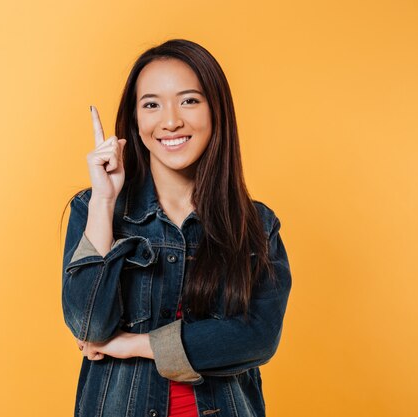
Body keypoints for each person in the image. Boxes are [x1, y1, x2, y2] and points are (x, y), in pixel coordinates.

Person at [61, 39, 292, 417]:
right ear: (135, 122)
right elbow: (88, 324)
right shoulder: (93, 208)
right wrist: (105, 200)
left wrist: (136, 344)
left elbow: (257, 338)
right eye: (151, 104)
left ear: (216, 111)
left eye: (189, 100)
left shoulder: (255, 225)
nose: (170, 121)